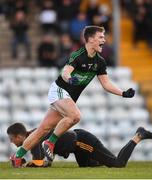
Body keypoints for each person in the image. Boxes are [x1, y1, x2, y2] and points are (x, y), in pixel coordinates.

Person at [11, 25, 135, 167]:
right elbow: (65, 72)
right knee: (75, 116)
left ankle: (17, 156)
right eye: (101, 37)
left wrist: (123, 93)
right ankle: (50, 142)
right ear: (90, 39)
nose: (104, 40)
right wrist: (70, 79)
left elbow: (106, 84)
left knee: (42, 130)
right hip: (59, 90)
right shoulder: (78, 55)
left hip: (67, 97)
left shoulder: (100, 61)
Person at [9, 123, 152, 168]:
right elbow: (44, 162)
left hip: (81, 141)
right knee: (88, 167)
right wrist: (24, 161)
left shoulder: (34, 138)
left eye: (12, 139)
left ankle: (139, 135)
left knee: (117, 163)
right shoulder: (34, 136)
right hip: (77, 145)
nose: (11, 142)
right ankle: (105, 159)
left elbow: (41, 163)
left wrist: (22, 163)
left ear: (19, 136)